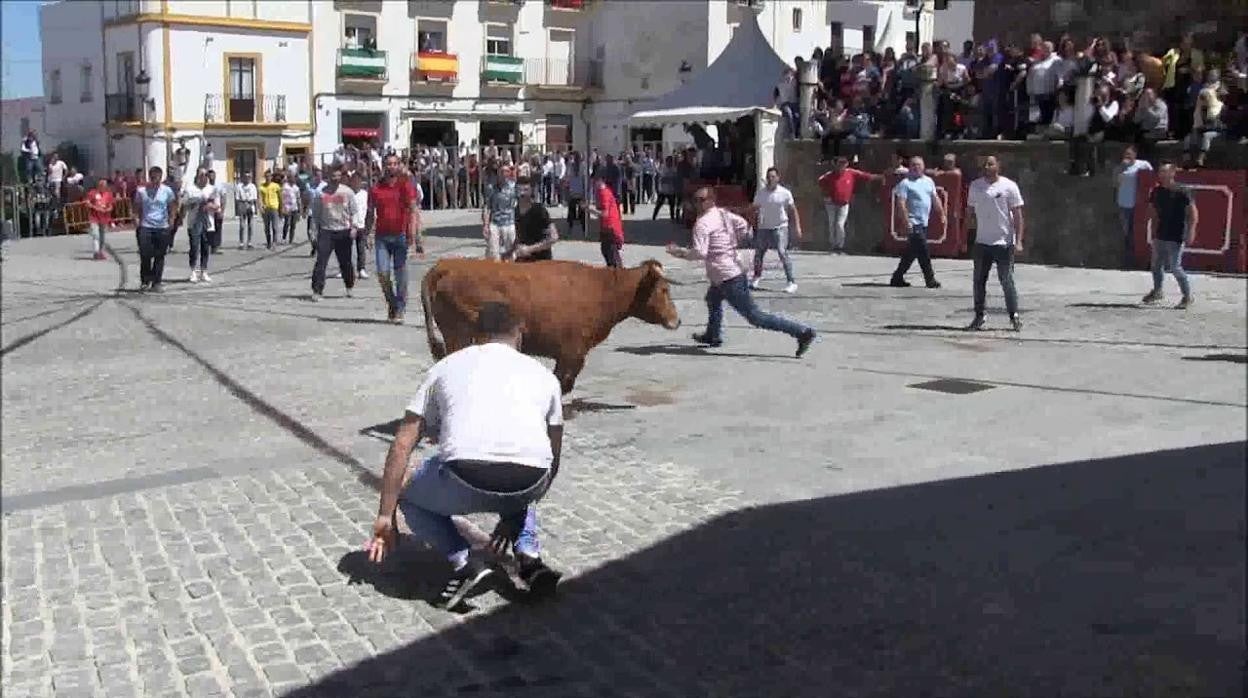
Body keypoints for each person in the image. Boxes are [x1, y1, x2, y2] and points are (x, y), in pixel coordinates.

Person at [367, 301, 566, 609]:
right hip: (531, 479)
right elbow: (552, 457)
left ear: (476, 336)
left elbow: (402, 444)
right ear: (519, 335)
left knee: (407, 490)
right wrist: (519, 509)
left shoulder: (446, 366)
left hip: (466, 476)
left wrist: (384, 515)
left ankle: (466, 561)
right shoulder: (544, 375)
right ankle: (529, 557)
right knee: (527, 456)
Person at [666, 187, 817, 357]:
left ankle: (802, 332)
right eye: (695, 200)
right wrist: (731, 243)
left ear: (711, 201)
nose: (697, 204)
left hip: (726, 276)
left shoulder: (702, 224)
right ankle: (712, 335)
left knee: (755, 317)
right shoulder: (723, 214)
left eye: (701, 200)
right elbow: (743, 226)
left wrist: (678, 252)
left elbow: (699, 253)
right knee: (712, 298)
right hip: (731, 270)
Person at [965, 155, 1025, 332]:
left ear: (998, 165)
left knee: (1007, 280)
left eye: (990, 164)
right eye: (984, 164)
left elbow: (1018, 216)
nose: (987, 167)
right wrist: (965, 236)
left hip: (1003, 242)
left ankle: (1013, 315)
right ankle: (979, 315)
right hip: (982, 242)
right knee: (978, 281)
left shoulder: (1009, 186)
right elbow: (969, 213)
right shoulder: (975, 186)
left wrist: (1019, 240)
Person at [368, 153, 422, 323]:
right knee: (382, 273)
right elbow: (371, 213)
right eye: (388, 164)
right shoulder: (377, 188)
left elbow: (413, 209)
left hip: (400, 235)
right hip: (382, 236)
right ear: (384, 166)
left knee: (401, 275)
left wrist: (413, 233)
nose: (391, 167)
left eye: (394, 164)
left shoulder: (405, 185)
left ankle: (400, 308)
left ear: (398, 165)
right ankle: (392, 302)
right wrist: (368, 233)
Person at [1141, 163, 1196, 309]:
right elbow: (1152, 212)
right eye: (1160, 172)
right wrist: (1151, 229)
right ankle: (1157, 291)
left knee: (1175, 267)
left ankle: (1187, 296)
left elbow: (1193, 214)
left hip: (1176, 234)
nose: (1162, 175)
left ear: (1172, 173)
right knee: (1156, 265)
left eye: (1165, 172)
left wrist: (1191, 231)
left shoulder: (1183, 191)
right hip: (1161, 233)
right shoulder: (1157, 191)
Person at [889, 156, 945, 289]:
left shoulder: (928, 181)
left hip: (924, 222)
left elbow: (935, 198)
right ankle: (930, 279)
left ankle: (897, 277)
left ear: (923, 167)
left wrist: (942, 213)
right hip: (913, 222)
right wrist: (906, 220)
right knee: (923, 250)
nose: (916, 167)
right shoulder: (905, 183)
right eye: (913, 165)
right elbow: (901, 203)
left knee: (911, 252)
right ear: (910, 167)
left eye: (919, 165)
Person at [749, 167, 802, 293]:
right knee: (759, 254)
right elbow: (754, 209)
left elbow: (793, 210)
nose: (770, 179)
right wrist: (751, 226)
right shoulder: (761, 193)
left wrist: (798, 227)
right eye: (768, 177)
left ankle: (791, 282)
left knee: (782, 252)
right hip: (764, 227)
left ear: (778, 178)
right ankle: (756, 277)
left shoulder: (785, 193)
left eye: (773, 176)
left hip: (780, 226)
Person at [310, 165, 359, 301]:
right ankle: (317, 290)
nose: (335, 178)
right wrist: (313, 232)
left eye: (338, 176)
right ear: (328, 176)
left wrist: (354, 227)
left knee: (345, 262)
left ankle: (349, 286)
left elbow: (354, 211)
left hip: (343, 231)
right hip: (326, 231)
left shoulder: (347, 192)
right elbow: (316, 215)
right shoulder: (321, 193)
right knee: (321, 261)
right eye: (333, 176)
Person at [817, 156, 881, 254]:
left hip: (844, 204)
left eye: (844, 163)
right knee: (832, 224)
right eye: (840, 163)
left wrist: (879, 177)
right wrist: (826, 195)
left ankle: (839, 246)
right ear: (835, 164)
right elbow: (820, 181)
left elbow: (865, 176)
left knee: (839, 224)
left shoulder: (851, 172)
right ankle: (833, 245)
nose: (842, 165)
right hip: (831, 204)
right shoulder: (829, 175)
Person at [133, 166, 176, 292]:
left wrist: (172, 219)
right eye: (152, 178)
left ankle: (157, 282)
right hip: (146, 226)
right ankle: (145, 280)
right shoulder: (141, 191)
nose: (155, 181)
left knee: (159, 255)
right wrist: (136, 219)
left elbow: (172, 204)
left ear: (161, 178)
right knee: (145, 254)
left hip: (162, 227)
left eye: (157, 178)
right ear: (149, 177)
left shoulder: (167, 191)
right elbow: (136, 206)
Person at [1114, 146, 1152, 268]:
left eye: (1129, 154)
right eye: (1125, 154)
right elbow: (1115, 183)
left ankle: (1137, 261)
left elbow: (1150, 179)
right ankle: (1127, 261)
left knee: (1138, 234)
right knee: (1126, 234)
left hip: (1139, 205)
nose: (1127, 156)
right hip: (1124, 204)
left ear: (1135, 155)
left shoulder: (1143, 164)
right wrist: (1121, 168)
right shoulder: (1120, 168)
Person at [510, 176, 559, 262]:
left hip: (541, 260)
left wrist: (530, 249)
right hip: (523, 260)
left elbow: (554, 237)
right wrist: (510, 251)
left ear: (531, 191)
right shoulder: (515, 211)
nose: (522, 193)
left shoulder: (539, 210)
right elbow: (520, 236)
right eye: (519, 190)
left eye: (525, 190)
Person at [181, 168, 217, 283]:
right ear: (197, 176)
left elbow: (217, 206)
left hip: (208, 223)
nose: (204, 177)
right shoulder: (190, 189)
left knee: (205, 247)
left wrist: (209, 206)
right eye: (202, 175)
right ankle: (193, 271)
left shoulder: (212, 189)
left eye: (206, 175)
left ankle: (204, 270)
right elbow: (184, 205)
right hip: (194, 222)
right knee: (194, 247)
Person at [586, 174, 624, 267]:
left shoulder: (604, 193)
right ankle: (615, 272)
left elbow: (604, 213)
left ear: (600, 180)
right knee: (607, 251)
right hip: (607, 227)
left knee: (610, 253)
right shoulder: (603, 192)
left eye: (595, 181)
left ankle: (618, 274)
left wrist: (589, 209)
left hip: (610, 227)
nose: (593, 183)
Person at [482, 165, 518, 260]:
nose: (504, 174)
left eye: (506, 172)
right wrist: (486, 225)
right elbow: (487, 207)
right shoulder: (491, 188)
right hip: (495, 222)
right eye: (501, 172)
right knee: (493, 253)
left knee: (512, 253)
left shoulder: (514, 187)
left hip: (509, 222)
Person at [85, 177, 114, 261]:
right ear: (98, 185)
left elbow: (111, 206)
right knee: (96, 235)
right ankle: (96, 252)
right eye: (101, 184)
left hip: (104, 218)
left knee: (102, 236)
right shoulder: (92, 193)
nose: (103, 186)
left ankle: (101, 251)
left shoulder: (108, 194)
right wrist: (95, 207)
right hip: (94, 218)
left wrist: (107, 209)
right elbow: (87, 203)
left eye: (104, 185)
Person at [349, 171, 370, 280]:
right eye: (354, 181)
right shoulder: (348, 194)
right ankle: (346, 269)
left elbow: (368, 210)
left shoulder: (365, 194)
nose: (356, 183)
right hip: (350, 226)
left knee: (361, 249)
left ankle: (361, 269)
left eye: (358, 181)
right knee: (347, 249)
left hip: (361, 225)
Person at [234, 171, 258, 250]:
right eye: (245, 177)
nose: (247, 179)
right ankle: (241, 242)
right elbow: (237, 198)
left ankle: (249, 242)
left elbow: (255, 199)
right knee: (242, 225)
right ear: (243, 178)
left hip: (250, 205)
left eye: (249, 177)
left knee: (250, 225)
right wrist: (237, 210)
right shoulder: (239, 186)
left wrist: (255, 210)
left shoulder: (253, 186)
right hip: (242, 204)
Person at [259, 172, 282, 250]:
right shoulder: (262, 187)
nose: (268, 178)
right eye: (266, 176)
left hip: (274, 208)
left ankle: (274, 243)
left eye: (269, 176)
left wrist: (281, 209)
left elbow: (280, 197)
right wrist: (261, 207)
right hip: (266, 209)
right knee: (267, 227)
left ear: (271, 177)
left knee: (275, 227)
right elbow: (260, 198)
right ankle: (268, 242)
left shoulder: (276, 186)